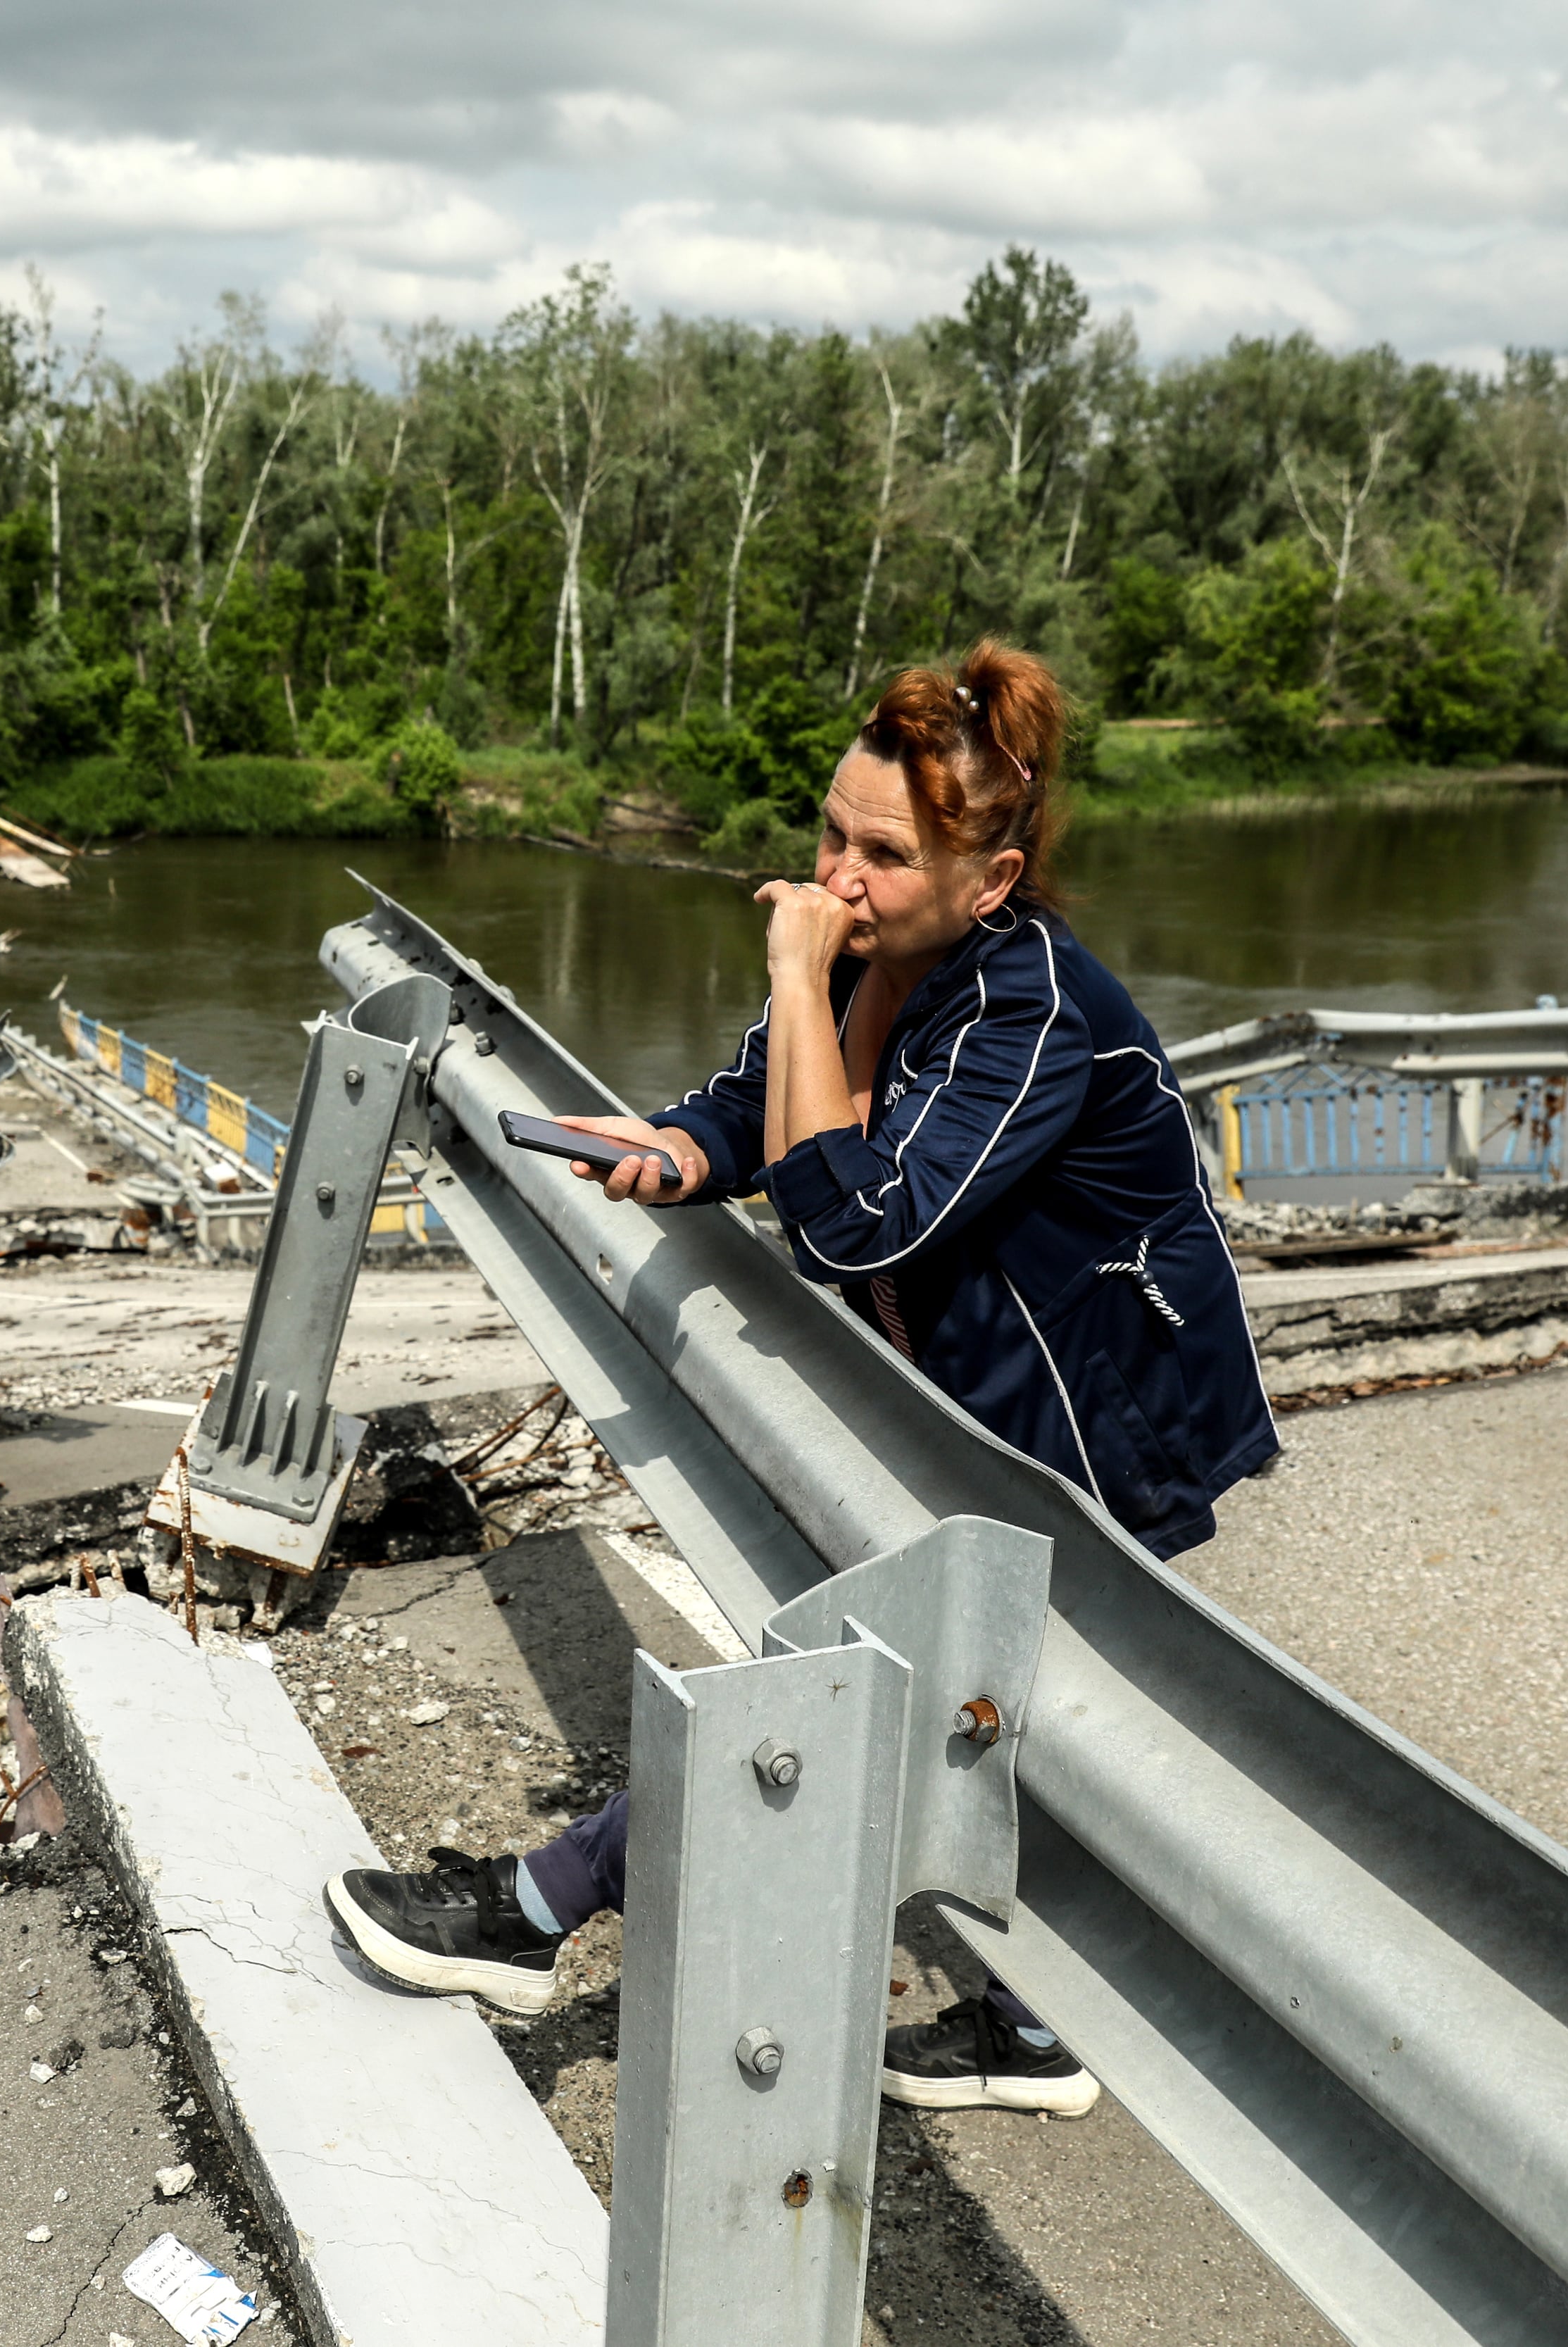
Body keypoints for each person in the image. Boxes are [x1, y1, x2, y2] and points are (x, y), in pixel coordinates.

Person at [325, 645, 1277, 2117]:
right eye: (832, 833)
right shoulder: (871, 956)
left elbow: (854, 1219)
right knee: (1004, 1704)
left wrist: (787, 961)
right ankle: (1033, 2028)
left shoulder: (1031, 1012)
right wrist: (684, 1148)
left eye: (883, 854)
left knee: (887, 1680)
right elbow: (762, 1101)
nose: (836, 875)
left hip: (1101, 1406)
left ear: (993, 877)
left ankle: (534, 1908)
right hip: (963, 1392)